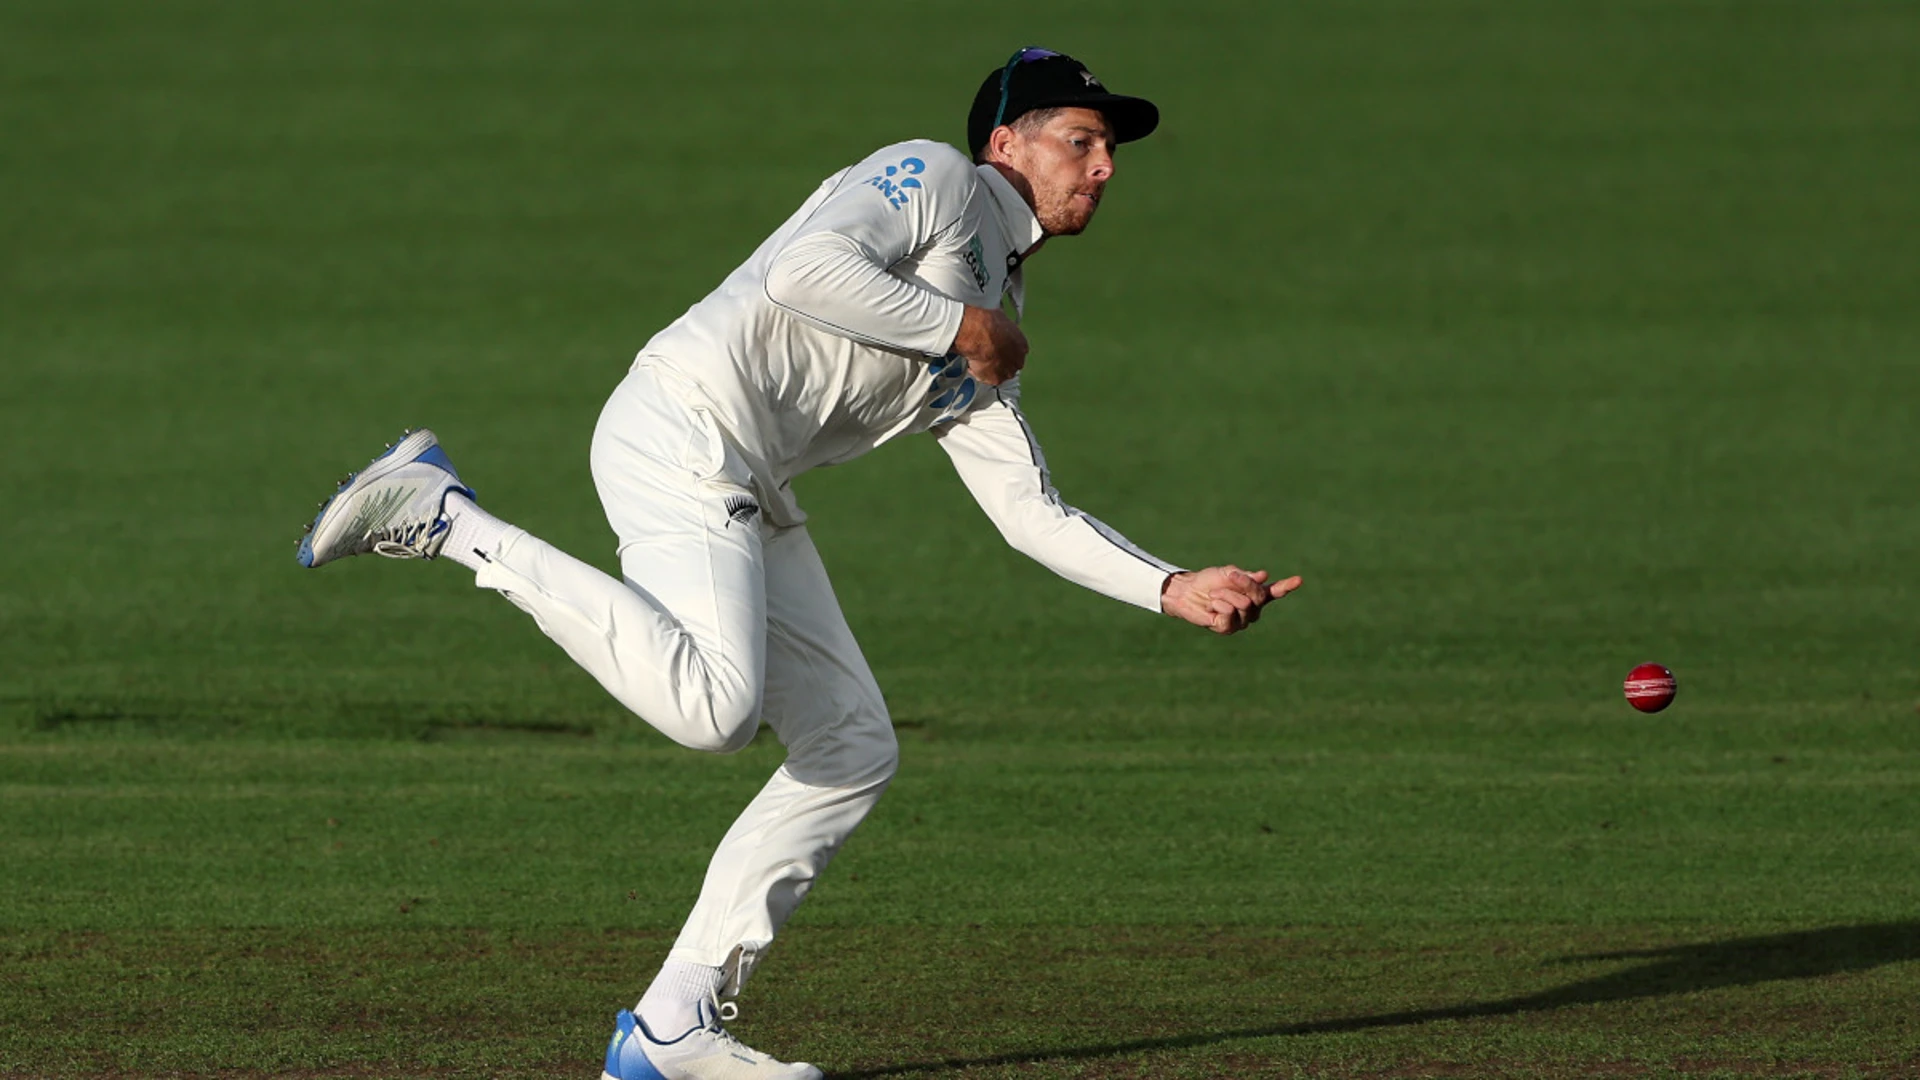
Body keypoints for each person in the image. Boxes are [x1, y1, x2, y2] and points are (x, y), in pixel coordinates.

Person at [295, 47, 1302, 1080]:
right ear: (1007, 143)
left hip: (751, 479)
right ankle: (444, 516)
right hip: (683, 422)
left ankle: (671, 1024)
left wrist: (1170, 585)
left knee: (853, 744)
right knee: (714, 710)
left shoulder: (1002, 312)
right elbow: (804, 271)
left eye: (1110, 149)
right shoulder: (938, 179)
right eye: (1080, 140)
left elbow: (1025, 509)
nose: (1104, 166)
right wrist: (957, 323)